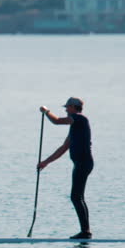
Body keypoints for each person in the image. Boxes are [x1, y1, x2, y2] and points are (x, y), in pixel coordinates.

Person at [37, 97, 93, 239]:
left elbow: (56, 121)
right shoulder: (75, 126)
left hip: (83, 163)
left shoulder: (79, 118)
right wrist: (45, 162)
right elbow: (63, 148)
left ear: (74, 107)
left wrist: (46, 111)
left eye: (67, 107)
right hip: (80, 163)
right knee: (77, 197)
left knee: (76, 197)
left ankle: (86, 232)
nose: (66, 110)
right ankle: (85, 231)